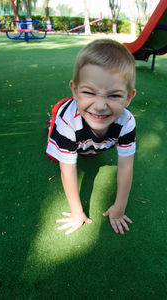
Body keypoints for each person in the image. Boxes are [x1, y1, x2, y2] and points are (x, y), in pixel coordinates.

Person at [46, 39, 136, 235]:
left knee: (91, 151)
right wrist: (77, 212)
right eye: (88, 92)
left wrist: (119, 208)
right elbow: (68, 171)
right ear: (75, 90)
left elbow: (126, 166)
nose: (100, 105)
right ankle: (50, 123)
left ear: (129, 97)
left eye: (114, 96)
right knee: (57, 154)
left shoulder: (127, 122)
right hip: (66, 119)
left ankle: (88, 141)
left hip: (90, 135)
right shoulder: (68, 121)